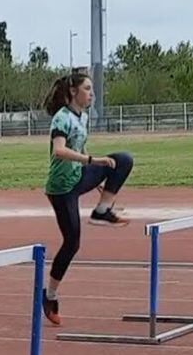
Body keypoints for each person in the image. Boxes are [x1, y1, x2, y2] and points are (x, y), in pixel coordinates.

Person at [41, 69, 134, 325]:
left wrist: (97, 183)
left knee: (123, 160)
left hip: (78, 178)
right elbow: (59, 151)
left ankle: (103, 209)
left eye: (92, 90)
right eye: (88, 89)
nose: (92, 94)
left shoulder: (81, 117)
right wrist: (94, 162)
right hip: (62, 189)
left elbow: (80, 148)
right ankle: (49, 295)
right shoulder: (62, 118)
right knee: (72, 243)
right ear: (73, 91)